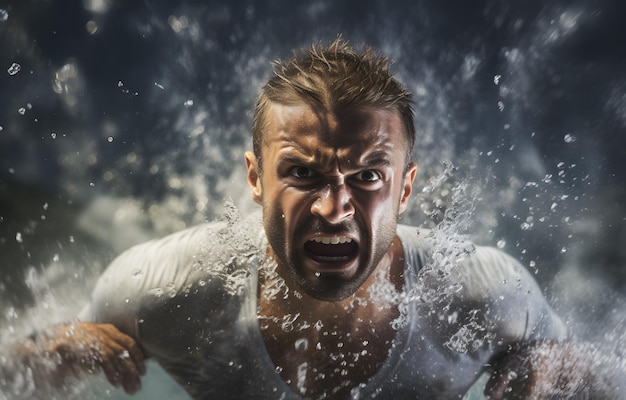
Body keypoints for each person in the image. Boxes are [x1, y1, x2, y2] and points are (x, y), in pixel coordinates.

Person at [3, 38, 621, 399]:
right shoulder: (163, 289)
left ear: (405, 188)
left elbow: (604, 377)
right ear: (254, 178)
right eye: (302, 174)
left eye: (367, 177)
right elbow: (16, 368)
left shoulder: (485, 295)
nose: (334, 208)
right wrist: (49, 349)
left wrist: (562, 371)